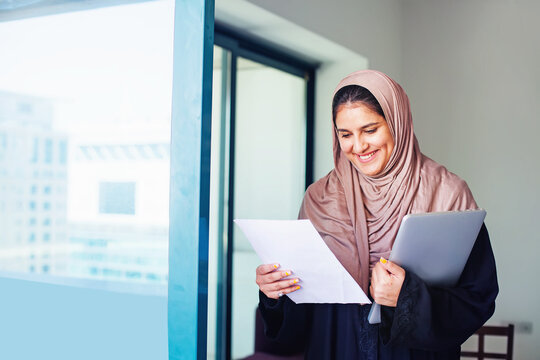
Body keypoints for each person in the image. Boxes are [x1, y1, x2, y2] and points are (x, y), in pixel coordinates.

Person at [255, 70, 498, 359]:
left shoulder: (447, 194)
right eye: (345, 134)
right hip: (334, 348)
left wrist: (407, 298)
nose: (358, 147)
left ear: (397, 123)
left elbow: (477, 299)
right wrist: (275, 293)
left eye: (370, 130)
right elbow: (301, 314)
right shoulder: (318, 198)